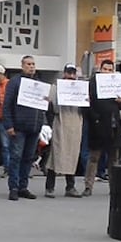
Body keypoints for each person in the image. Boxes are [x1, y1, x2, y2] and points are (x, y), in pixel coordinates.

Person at [3, 55, 45, 201]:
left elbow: (42, 107)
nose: (31, 66)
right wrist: (8, 125)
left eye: (33, 64)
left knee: (28, 158)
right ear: (22, 66)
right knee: (16, 157)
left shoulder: (39, 84)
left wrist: (41, 123)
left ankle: (23, 187)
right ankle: (13, 188)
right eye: (28, 64)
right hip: (19, 127)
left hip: (34, 128)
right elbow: (7, 105)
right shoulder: (15, 82)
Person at [84, 59, 121, 197]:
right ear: (100, 69)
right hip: (98, 125)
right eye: (105, 69)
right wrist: (95, 119)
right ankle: (88, 186)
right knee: (94, 157)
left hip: (114, 126)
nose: (107, 72)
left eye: (110, 70)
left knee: (114, 159)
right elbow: (88, 104)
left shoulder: (117, 83)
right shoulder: (93, 83)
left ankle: (114, 188)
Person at [44, 64, 84, 198]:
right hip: (60, 121)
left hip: (76, 123)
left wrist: (87, 101)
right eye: (68, 73)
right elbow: (49, 106)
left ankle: (70, 187)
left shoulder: (81, 88)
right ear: (64, 73)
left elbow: (87, 108)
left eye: (73, 73)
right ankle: (50, 187)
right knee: (56, 154)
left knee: (72, 154)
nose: (71, 76)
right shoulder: (55, 87)